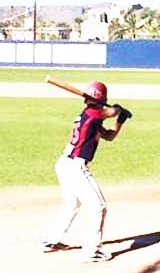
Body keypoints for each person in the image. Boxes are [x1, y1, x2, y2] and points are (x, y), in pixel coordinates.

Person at [42, 81, 132, 262]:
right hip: (76, 166)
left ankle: (53, 239)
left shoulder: (90, 117)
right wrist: (118, 110)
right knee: (98, 206)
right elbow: (110, 111)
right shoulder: (94, 113)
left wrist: (120, 121)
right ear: (102, 99)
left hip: (64, 164)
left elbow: (110, 136)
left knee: (72, 203)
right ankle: (92, 250)